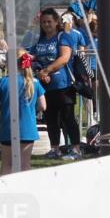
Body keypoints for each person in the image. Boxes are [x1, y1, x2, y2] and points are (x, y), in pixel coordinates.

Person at [30, 8, 81, 159]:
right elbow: (32, 57)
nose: (46, 24)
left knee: (68, 117)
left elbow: (64, 58)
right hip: (45, 86)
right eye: (43, 22)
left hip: (63, 85)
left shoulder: (63, 37)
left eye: (49, 21)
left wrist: (47, 70)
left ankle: (76, 148)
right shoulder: (39, 39)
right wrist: (39, 71)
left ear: (56, 22)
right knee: (51, 119)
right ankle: (55, 149)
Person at [0, 50, 47, 175]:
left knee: (7, 164)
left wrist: (4, 105)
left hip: (8, 129)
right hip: (27, 129)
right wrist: (30, 106)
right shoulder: (34, 82)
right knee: (25, 164)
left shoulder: (2, 82)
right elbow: (43, 106)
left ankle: (6, 187)